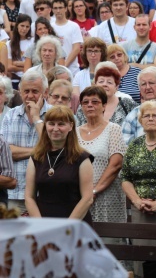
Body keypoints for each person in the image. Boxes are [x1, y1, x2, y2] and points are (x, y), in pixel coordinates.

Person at [121, 101, 156, 277]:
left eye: (155, 115)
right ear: (140, 121)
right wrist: (136, 201)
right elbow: (125, 177)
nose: (150, 118)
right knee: (140, 261)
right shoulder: (134, 145)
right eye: (146, 116)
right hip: (140, 209)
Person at [24, 106, 93, 223]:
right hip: (43, 224)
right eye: (51, 124)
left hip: (73, 226)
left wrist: (66, 228)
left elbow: (87, 199)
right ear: (46, 126)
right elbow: (29, 197)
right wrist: (40, 225)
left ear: (71, 126)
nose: (55, 129)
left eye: (61, 124)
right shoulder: (36, 157)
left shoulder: (82, 158)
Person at [76, 86, 127, 225]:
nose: (90, 105)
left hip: (107, 196)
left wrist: (93, 191)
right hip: (79, 198)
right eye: (85, 102)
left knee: (110, 242)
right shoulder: (74, 133)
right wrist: (84, 195)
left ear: (104, 105)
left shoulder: (113, 129)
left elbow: (116, 165)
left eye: (95, 102)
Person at [2, 69, 50, 212]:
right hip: (15, 194)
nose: (30, 96)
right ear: (20, 92)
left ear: (45, 93)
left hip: (46, 194)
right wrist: (40, 150)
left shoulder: (55, 115)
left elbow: (55, 150)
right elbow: (7, 152)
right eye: (26, 91)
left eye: (35, 91)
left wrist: (36, 118)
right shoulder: (10, 115)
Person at [121, 67, 156, 144]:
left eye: (151, 83)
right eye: (143, 84)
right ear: (139, 89)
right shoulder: (133, 115)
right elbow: (125, 144)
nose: (147, 87)